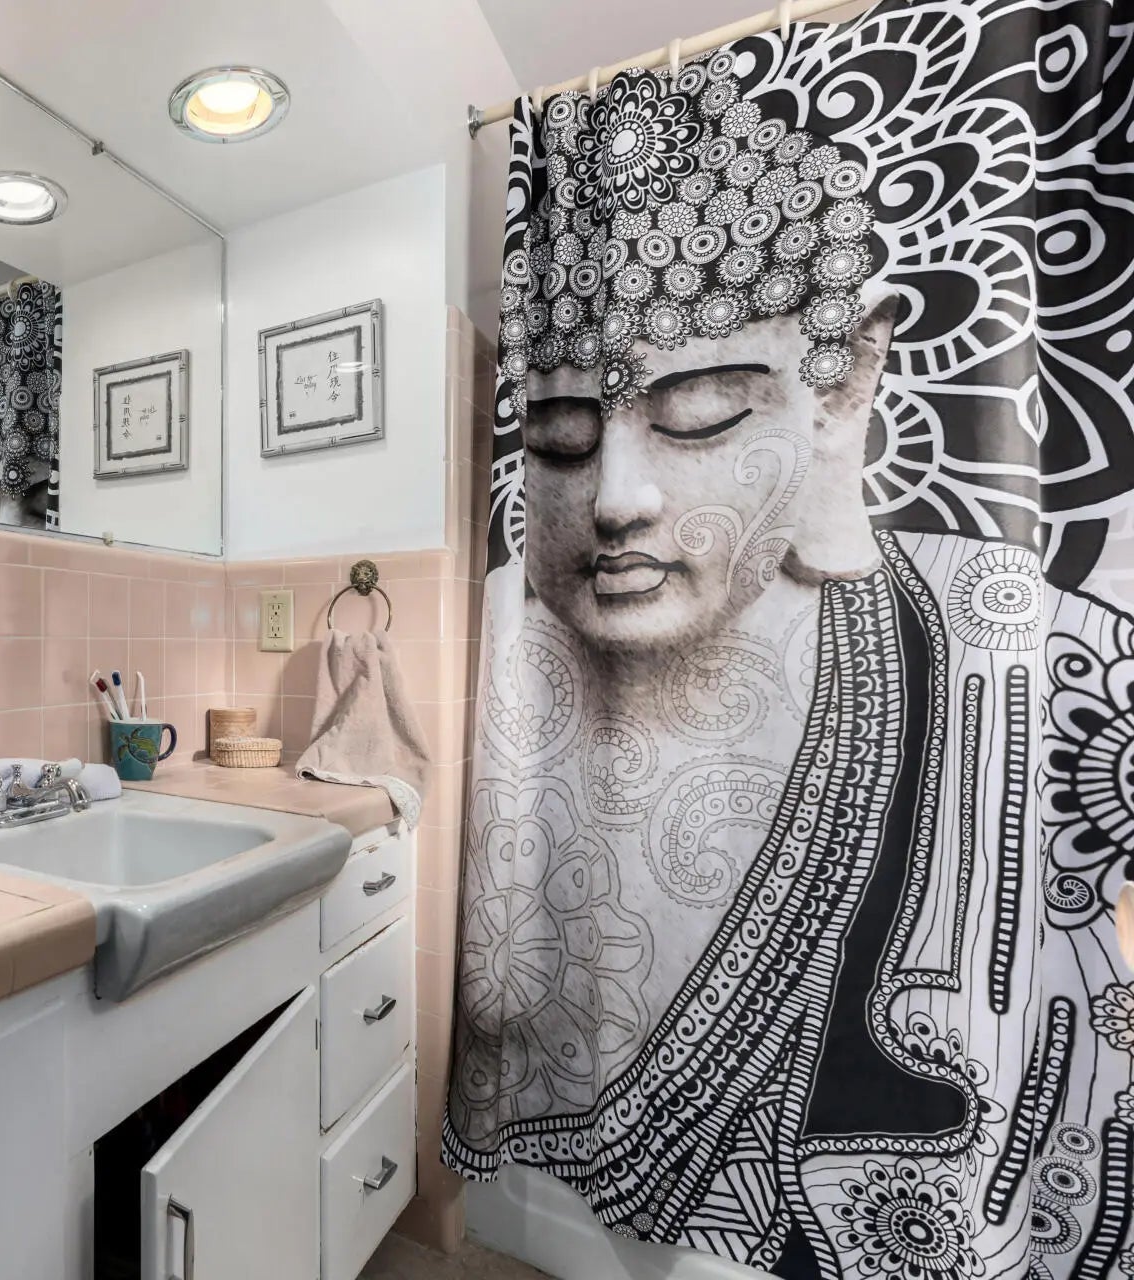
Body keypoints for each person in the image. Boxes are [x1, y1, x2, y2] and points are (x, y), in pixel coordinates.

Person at [446, 53, 1134, 1280]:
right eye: (557, 435)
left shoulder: (1024, 648)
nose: (616, 497)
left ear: (843, 386)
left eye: (700, 415)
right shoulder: (506, 645)